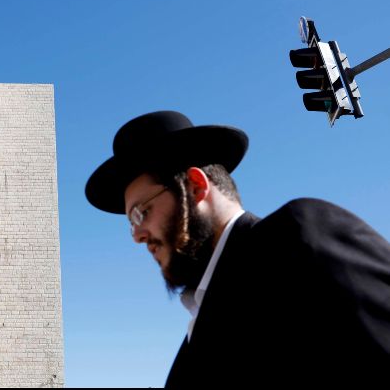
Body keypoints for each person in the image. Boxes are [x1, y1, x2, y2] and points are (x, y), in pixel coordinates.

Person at [84, 110, 390, 387]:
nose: (136, 235)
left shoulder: (296, 241)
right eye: (130, 222)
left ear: (195, 186)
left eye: (142, 213)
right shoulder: (186, 358)